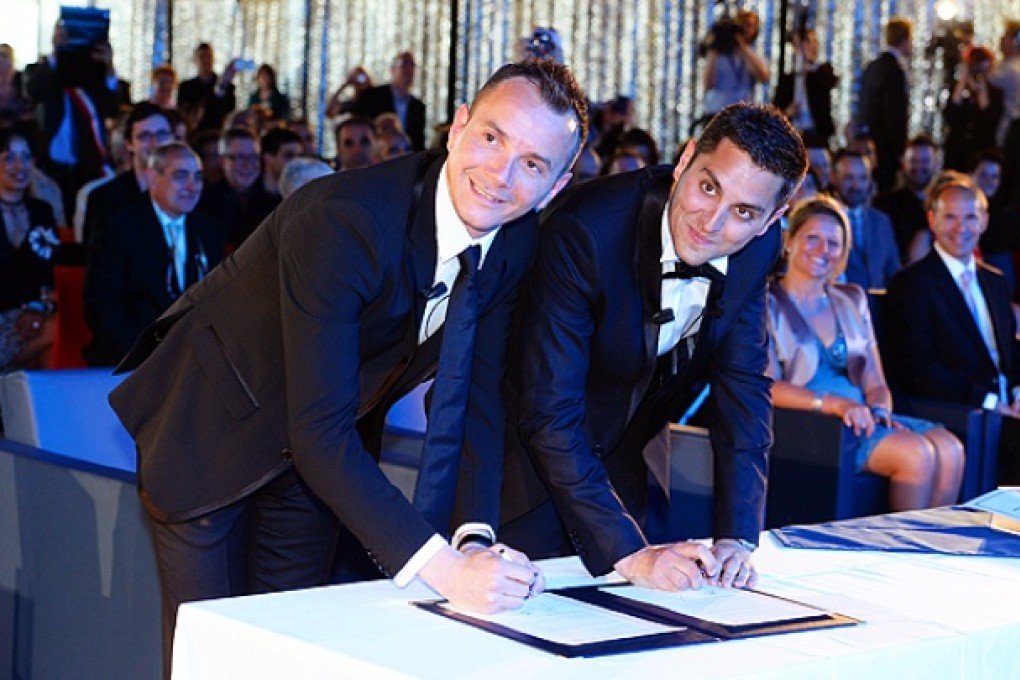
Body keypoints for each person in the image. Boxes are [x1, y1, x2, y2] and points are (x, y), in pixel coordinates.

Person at [106, 60, 587, 676]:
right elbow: (319, 432)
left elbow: (475, 396)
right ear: (459, 125)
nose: (501, 174)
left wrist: (472, 536)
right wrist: (443, 571)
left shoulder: (514, 238)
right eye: (493, 138)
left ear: (556, 185)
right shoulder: (346, 220)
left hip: (320, 454)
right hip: (211, 432)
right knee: (217, 652)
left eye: (533, 164)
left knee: (292, 649)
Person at [500, 103, 807, 591]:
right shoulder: (588, 230)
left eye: (744, 212)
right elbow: (550, 411)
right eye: (709, 187)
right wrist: (628, 553)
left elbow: (745, 391)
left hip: (624, 463)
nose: (712, 222)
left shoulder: (756, 251)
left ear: (771, 220)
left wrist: (737, 538)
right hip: (518, 465)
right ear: (685, 160)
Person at [766, 195, 964, 511]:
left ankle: (927, 552)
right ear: (789, 241)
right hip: (811, 425)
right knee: (917, 454)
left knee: (950, 448)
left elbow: (875, 381)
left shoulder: (852, 298)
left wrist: (881, 412)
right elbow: (768, 387)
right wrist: (836, 405)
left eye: (833, 243)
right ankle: (900, 554)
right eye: (812, 238)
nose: (822, 250)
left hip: (863, 417)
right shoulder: (766, 304)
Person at [885, 171, 1020, 486]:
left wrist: (1017, 394)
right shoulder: (911, 285)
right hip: (962, 412)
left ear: (984, 221)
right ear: (932, 220)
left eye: (970, 217)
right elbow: (919, 371)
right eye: (950, 218)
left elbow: (1011, 351)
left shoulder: (995, 282)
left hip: (1006, 409)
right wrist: (991, 403)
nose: (961, 228)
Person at [84, 142, 224, 367]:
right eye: (180, 176)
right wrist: (147, 356)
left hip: (194, 358)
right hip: (131, 356)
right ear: (153, 177)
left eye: (198, 177)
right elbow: (103, 307)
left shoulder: (208, 230)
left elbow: (218, 300)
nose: (192, 186)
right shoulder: (119, 227)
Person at [0, 128, 60, 370]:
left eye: (26, 157)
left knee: (55, 333)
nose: (20, 166)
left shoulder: (41, 211)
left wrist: (36, 309)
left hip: (37, 316)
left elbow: (52, 273)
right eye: (9, 158)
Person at [855, 18, 913, 194]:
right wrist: (899, 151)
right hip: (886, 148)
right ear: (905, 39)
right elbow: (895, 114)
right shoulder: (894, 70)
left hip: (870, 142)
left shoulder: (873, 66)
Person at [831, 148, 901, 289]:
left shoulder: (881, 221)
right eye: (848, 178)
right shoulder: (822, 219)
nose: (856, 185)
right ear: (833, 177)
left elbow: (894, 273)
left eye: (863, 178)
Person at [872, 135, 941, 264]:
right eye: (913, 161)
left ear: (936, 163)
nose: (919, 166)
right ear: (903, 163)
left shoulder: (945, 205)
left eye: (925, 161)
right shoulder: (885, 205)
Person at [773, 26, 838, 147]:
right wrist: (788, 112)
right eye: (808, 42)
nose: (813, 46)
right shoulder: (787, 80)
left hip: (818, 139)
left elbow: (829, 82)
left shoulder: (822, 72)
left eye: (815, 42)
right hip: (792, 139)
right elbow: (776, 111)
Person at [943, 46, 1003, 173]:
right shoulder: (958, 91)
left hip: (981, 152)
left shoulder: (996, 94)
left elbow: (989, 121)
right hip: (957, 151)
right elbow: (950, 115)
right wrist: (963, 82)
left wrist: (982, 91)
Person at [351, 52, 426, 151]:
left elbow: (418, 143)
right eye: (404, 64)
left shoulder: (418, 107)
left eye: (412, 65)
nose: (408, 70)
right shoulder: (373, 96)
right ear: (392, 69)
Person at [702, 10, 770, 117]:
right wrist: (715, 43)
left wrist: (741, 44)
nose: (743, 29)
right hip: (716, 114)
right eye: (740, 24)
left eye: (748, 25)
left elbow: (764, 77)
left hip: (743, 116)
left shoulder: (754, 54)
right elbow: (707, 85)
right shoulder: (718, 55)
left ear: (755, 30)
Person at [176, 43, 239, 131]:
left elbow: (230, 114)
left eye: (209, 56)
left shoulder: (227, 87)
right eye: (202, 57)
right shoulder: (186, 87)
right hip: (194, 137)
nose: (206, 60)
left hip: (217, 136)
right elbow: (181, 115)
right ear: (195, 60)